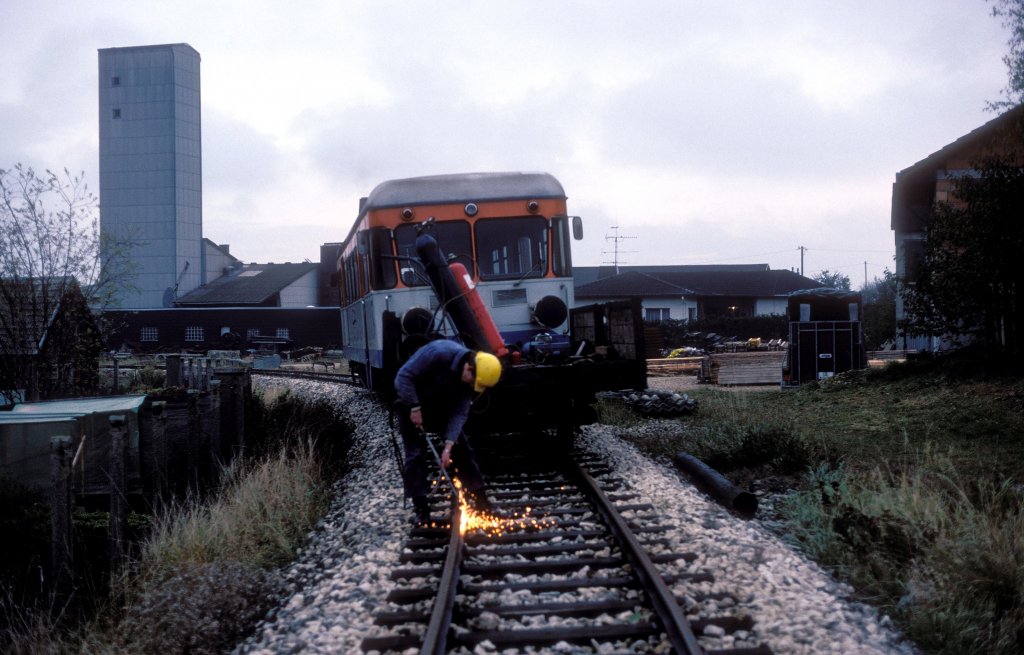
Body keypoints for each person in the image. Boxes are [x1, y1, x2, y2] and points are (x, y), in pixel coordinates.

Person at [394, 339, 502, 525]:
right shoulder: (439, 352)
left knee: (464, 450)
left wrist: (448, 446)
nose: (471, 386)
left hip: (442, 409)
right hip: (412, 404)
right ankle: (421, 510)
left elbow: (459, 413)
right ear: (469, 367)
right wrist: (414, 407)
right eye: (472, 381)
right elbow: (403, 377)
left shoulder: (471, 379)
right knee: (415, 455)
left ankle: (482, 503)